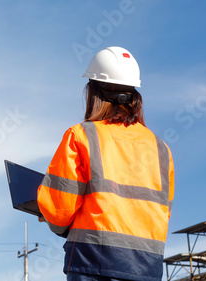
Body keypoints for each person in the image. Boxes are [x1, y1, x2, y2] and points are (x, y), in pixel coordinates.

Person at [37, 46, 174, 281]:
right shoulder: (161, 149)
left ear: (93, 92)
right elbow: (161, 211)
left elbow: (59, 210)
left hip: (94, 263)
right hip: (147, 268)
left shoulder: (81, 135)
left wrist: (50, 217)